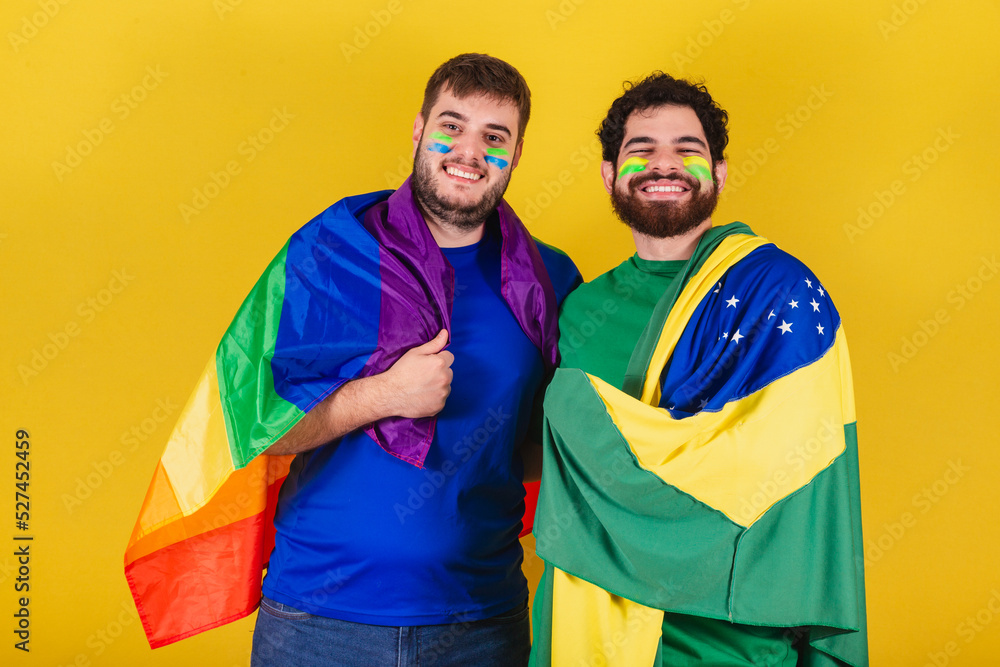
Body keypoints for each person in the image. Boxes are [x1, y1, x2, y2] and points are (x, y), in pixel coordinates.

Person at [124, 54, 579, 667]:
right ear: (419, 129)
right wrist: (384, 395)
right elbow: (258, 428)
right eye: (452, 125)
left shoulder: (547, 279)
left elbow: (541, 448)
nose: (469, 151)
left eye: (493, 136)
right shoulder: (331, 252)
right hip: (319, 623)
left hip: (478, 622)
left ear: (517, 154)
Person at [529, 73, 867, 666]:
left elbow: (789, 470)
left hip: (729, 642)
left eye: (688, 149)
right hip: (592, 628)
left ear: (720, 171)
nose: (666, 166)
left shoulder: (777, 293)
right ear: (610, 174)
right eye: (642, 151)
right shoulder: (581, 308)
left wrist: (574, 405)